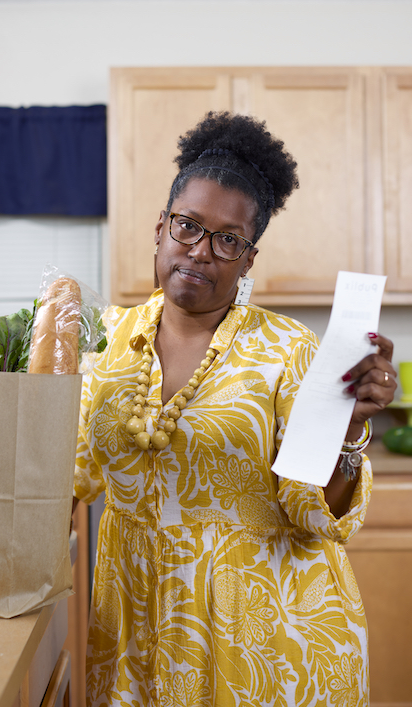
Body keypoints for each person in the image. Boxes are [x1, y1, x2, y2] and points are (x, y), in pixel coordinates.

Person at [73, 111, 397, 706]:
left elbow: (316, 515)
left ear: (249, 259)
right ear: (159, 229)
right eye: (187, 226)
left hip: (268, 640)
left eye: (227, 239)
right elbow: (72, 478)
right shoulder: (108, 343)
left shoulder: (288, 351)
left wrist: (347, 431)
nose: (200, 251)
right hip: (135, 628)